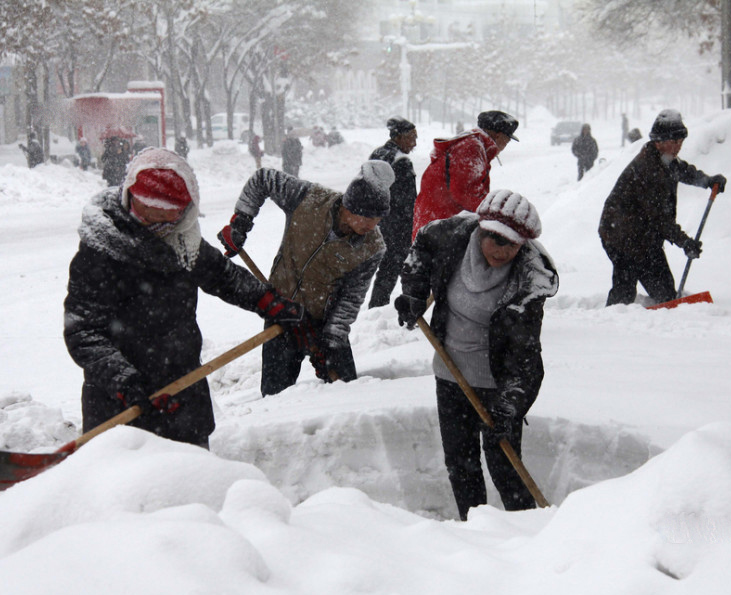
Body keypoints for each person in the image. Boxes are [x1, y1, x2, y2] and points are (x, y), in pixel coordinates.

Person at [63, 148, 307, 449]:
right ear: (130, 197)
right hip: (122, 403)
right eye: (149, 209)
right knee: (132, 490)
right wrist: (124, 380)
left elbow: (221, 275)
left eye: (171, 212)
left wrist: (267, 302)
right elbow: (83, 332)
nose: (159, 220)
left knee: (192, 481)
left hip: (182, 387)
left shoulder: (181, 239)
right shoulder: (100, 254)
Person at [395, 190, 559, 520]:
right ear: (480, 230)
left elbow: (526, 355)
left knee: (506, 464)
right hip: (450, 371)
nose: (502, 251)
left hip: (497, 382)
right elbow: (420, 252)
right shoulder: (451, 237)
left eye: (511, 245)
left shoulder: (529, 281)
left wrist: (510, 407)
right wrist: (413, 294)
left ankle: (528, 534)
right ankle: (475, 532)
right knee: (461, 461)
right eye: (495, 240)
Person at [217, 160, 394, 396]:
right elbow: (263, 178)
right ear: (348, 205)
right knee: (274, 400)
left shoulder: (372, 247)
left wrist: (330, 344)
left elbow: (351, 299)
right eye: (365, 216)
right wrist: (241, 220)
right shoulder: (310, 199)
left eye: (377, 219)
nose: (370, 225)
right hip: (280, 312)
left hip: (321, 325)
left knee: (348, 394)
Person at [598, 109, 727, 306]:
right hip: (621, 235)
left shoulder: (664, 159)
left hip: (644, 235)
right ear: (659, 141)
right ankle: (610, 326)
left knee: (665, 291)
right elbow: (660, 220)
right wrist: (685, 242)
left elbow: (683, 171)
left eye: (681, 141)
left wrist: (707, 181)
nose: (678, 147)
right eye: (674, 142)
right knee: (624, 288)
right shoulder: (647, 169)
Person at [412, 110, 519, 240]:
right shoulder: (471, 147)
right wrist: (496, 215)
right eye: (507, 141)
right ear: (498, 135)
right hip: (442, 228)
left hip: (439, 223)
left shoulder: (473, 144)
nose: (504, 146)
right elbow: (467, 194)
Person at [367, 116, 418, 308]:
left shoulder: (377, 154)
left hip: (379, 222)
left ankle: (377, 306)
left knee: (387, 268)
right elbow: (408, 201)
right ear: (400, 137)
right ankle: (410, 308)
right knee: (407, 268)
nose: (415, 143)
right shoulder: (402, 161)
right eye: (412, 137)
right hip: (399, 226)